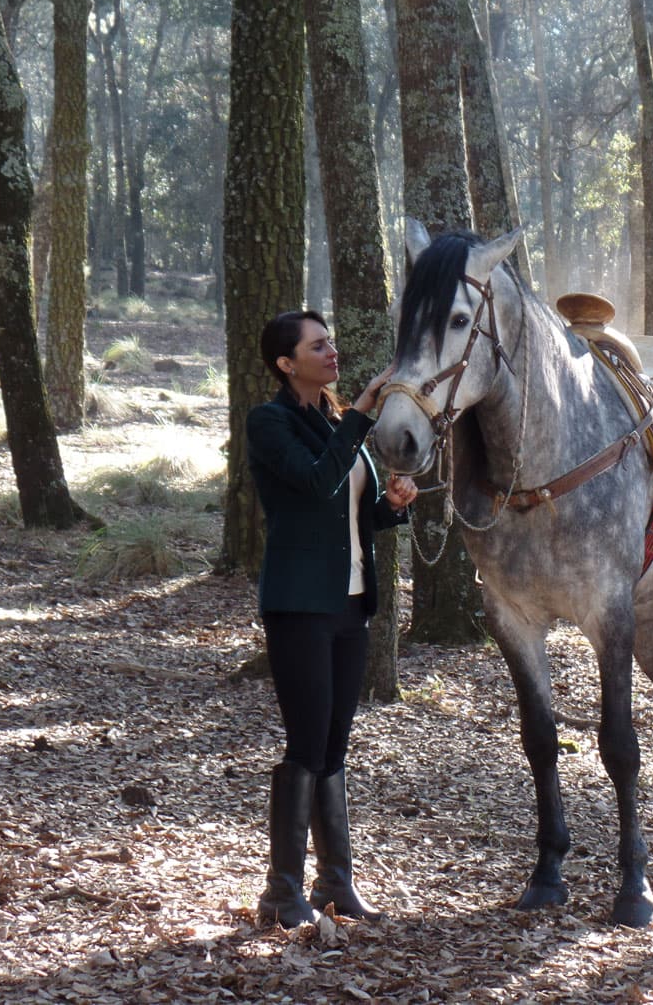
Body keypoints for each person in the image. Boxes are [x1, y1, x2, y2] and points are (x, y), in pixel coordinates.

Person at [248, 309, 418, 928]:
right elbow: (316, 484)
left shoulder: (333, 420)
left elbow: (350, 512)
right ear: (286, 363)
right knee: (306, 745)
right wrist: (363, 418)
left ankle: (335, 884)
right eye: (318, 346)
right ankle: (281, 891)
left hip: (350, 604)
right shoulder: (271, 423)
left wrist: (388, 505)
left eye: (332, 342)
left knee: (334, 747)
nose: (332, 352)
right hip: (299, 606)